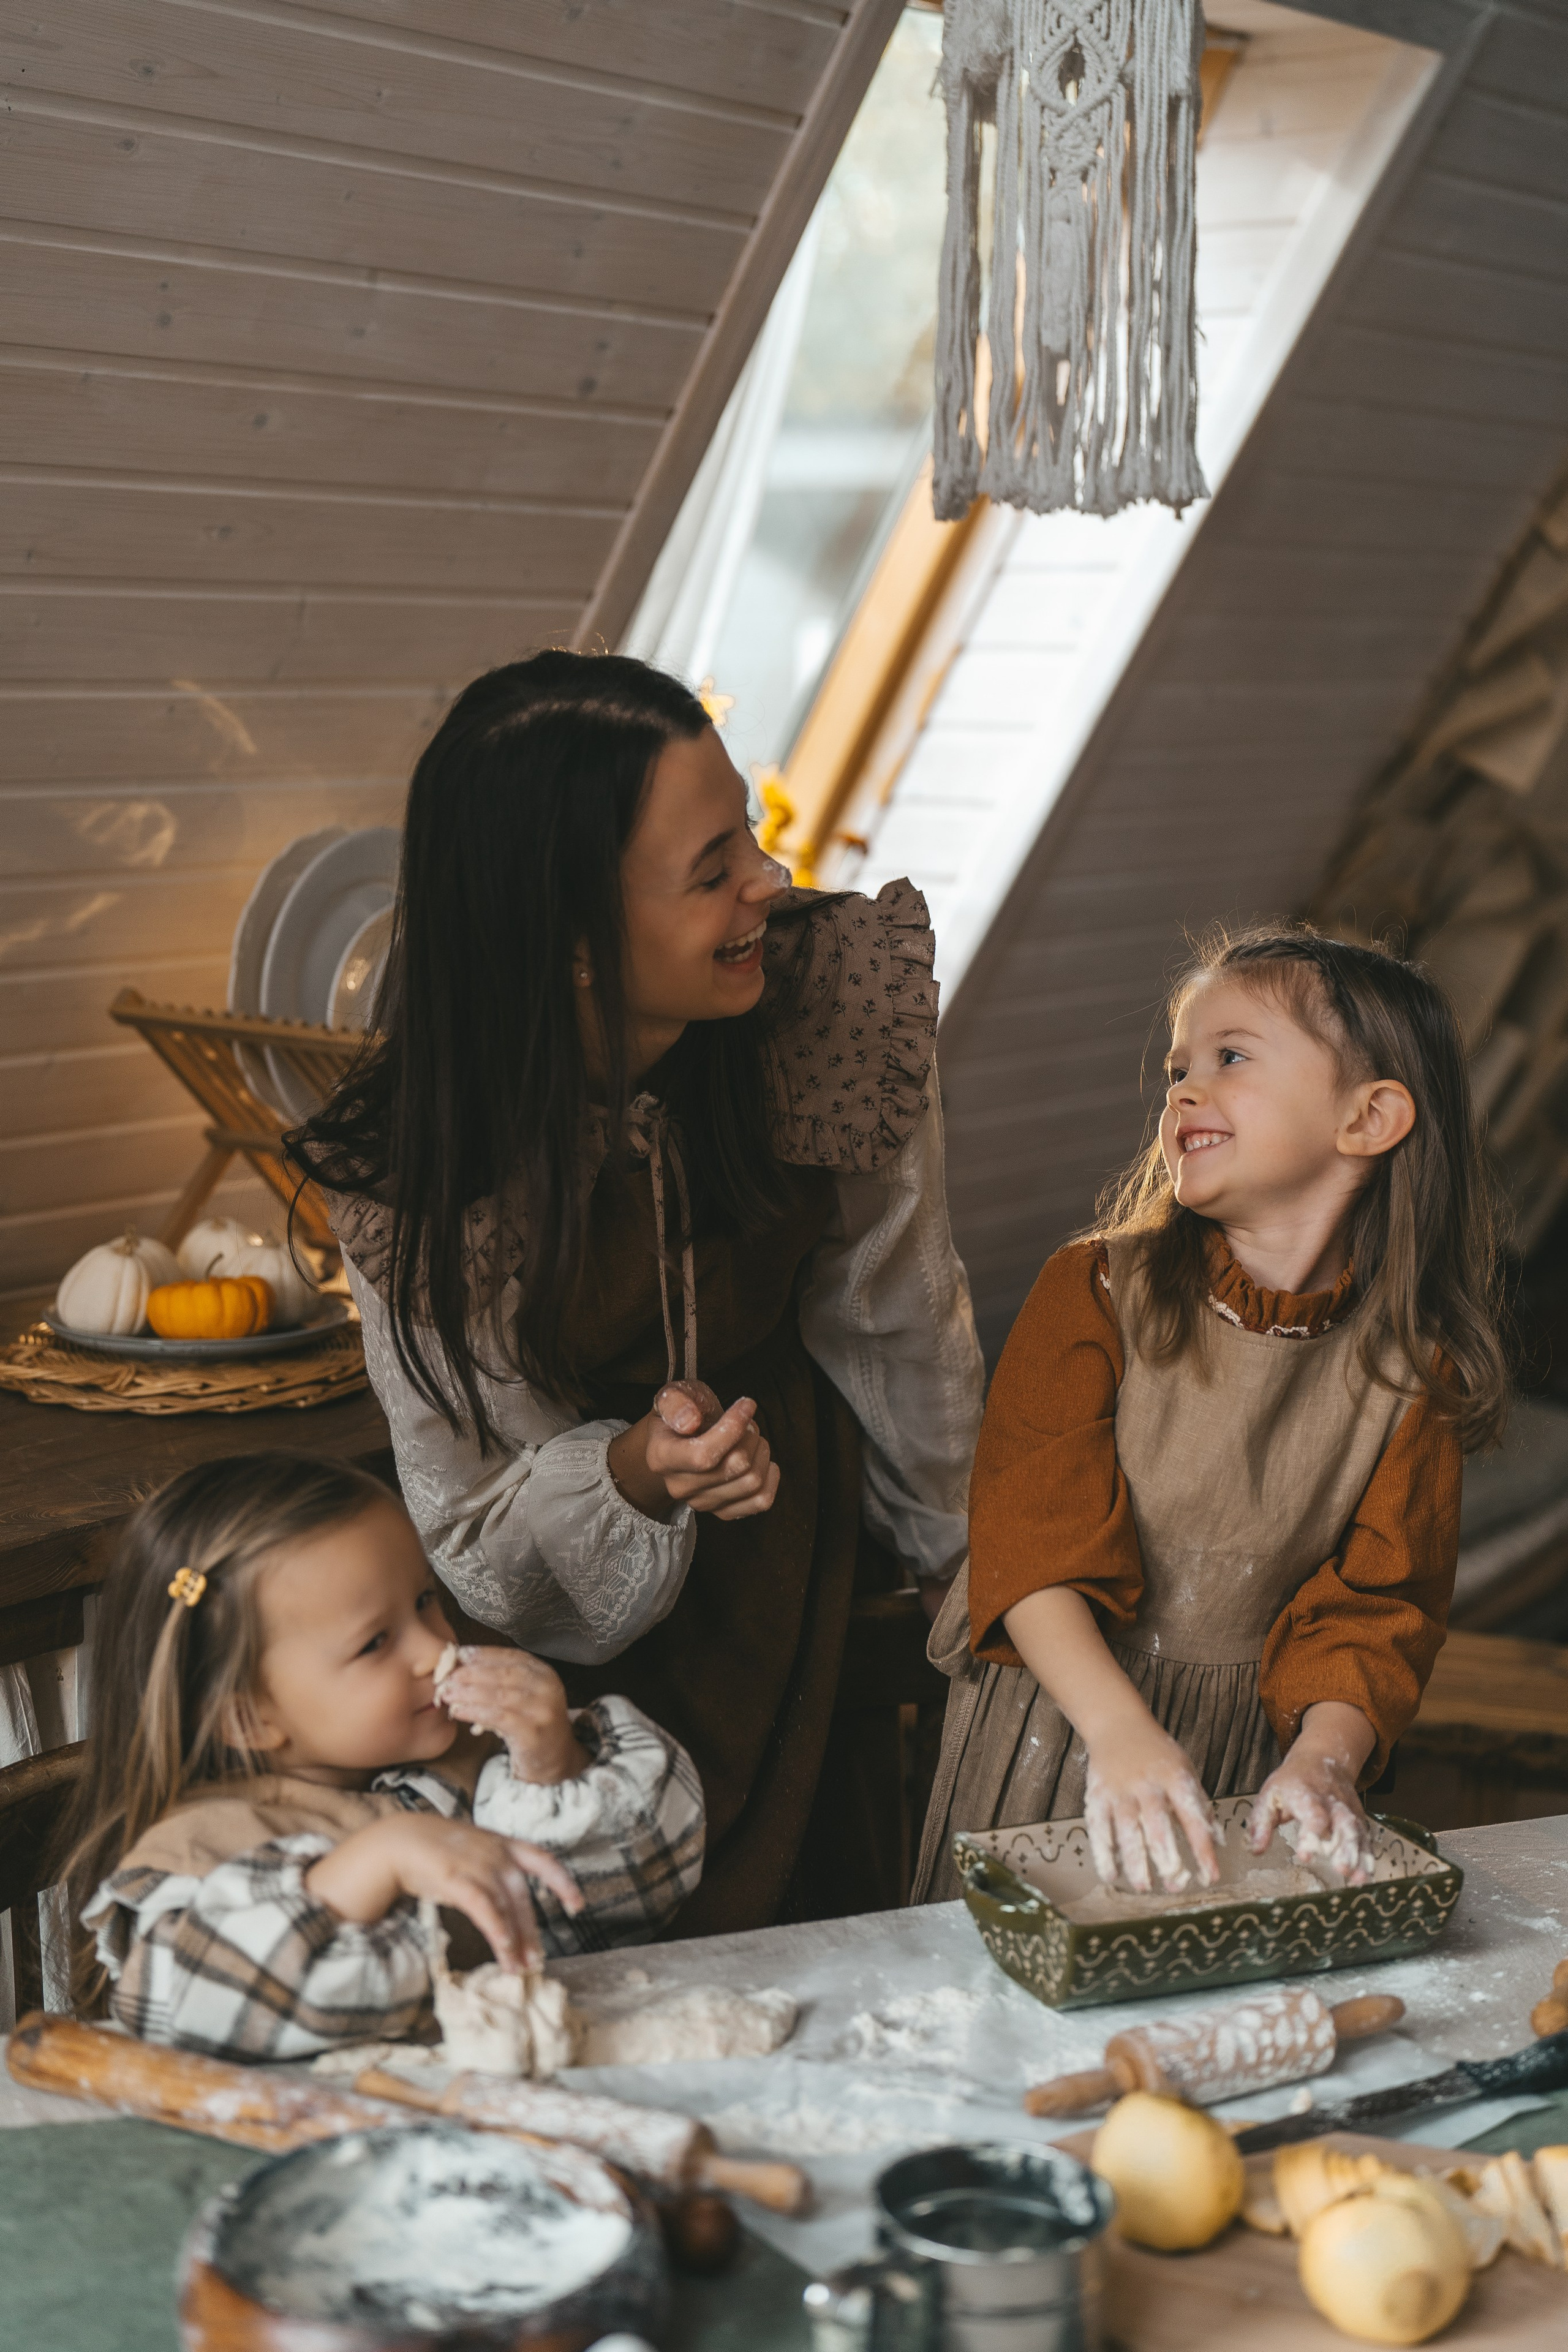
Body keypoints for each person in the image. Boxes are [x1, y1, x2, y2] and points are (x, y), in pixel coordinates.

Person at [291, 652, 985, 1932]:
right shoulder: (416, 1172)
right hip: (557, 1660)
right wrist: (629, 1477)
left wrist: (978, 1597)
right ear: (563, 944)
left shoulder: (828, 1011)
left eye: (753, 838)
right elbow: (474, 1530)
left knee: (818, 1936)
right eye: (710, 868)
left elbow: (896, 1328)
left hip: (791, 1579)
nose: (766, 887)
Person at [916, 925, 1507, 1904]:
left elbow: (1376, 1612)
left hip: (1240, 1758)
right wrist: (1120, 1736)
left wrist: (1324, 1760)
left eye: (1230, 1058)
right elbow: (1031, 1552)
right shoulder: (1097, 1291)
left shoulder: (1413, 1373)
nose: (1183, 1090)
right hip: (1057, 1719)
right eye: (1178, 1068)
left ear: (1369, 1119)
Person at [58, 1452, 704, 2058]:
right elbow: (183, 2001)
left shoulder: (476, 1756)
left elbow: (640, 1895)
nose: (434, 1649)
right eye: (375, 1643)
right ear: (247, 1717)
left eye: (425, 1601)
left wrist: (553, 1763)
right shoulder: (203, 1843)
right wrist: (371, 1863)